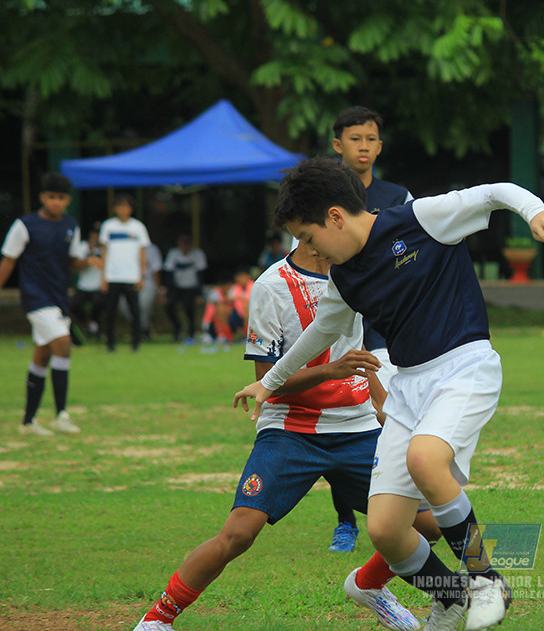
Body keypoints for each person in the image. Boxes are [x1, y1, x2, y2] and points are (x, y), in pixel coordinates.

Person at [234, 157, 544, 631]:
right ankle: (450, 595)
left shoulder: (419, 219)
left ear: (335, 216)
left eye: (308, 237)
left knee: (425, 460)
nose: (309, 250)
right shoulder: (345, 276)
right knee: (386, 529)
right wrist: (268, 383)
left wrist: (534, 212)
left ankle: (485, 579)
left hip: (464, 368)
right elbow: (317, 334)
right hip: (408, 387)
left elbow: (494, 191)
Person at [132, 239, 437, 631]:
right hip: (291, 430)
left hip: (356, 428)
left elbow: (357, 350)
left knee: (428, 523)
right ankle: (157, 619)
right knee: (239, 533)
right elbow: (267, 380)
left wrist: (380, 403)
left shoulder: (352, 270)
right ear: (312, 232)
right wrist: (330, 371)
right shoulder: (271, 286)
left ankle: (370, 585)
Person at [329, 104, 414, 551]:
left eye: (370, 139)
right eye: (354, 139)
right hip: (339, 324)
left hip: (385, 326)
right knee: (343, 426)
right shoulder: (323, 193)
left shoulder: (398, 196)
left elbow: (417, 251)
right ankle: (345, 520)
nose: (363, 147)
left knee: (389, 421)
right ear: (337, 144)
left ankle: (399, 512)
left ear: (380, 146)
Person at [0, 173, 92, 436]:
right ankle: (61, 415)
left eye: (61, 198)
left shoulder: (71, 225)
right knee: (63, 344)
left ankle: (28, 422)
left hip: (58, 298)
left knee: (42, 356)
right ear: (42, 197)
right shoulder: (25, 225)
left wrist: (89, 261)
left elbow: (73, 261)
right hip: (35, 297)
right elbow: (9, 260)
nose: (56, 202)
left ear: (67, 200)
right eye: (51, 197)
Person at [100, 194, 150, 352]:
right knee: (110, 312)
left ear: (131, 209)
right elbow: (104, 252)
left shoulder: (138, 227)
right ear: (115, 208)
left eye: (126, 206)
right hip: (113, 276)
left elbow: (142, 254)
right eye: (120, 206)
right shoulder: (108, 226)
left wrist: (141, 276)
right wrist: (103, 277)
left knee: (134, 312)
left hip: (131, 277)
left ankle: (136, 343)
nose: (123, 210)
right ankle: (110, 344)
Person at [163, 234, 207, 343]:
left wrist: (199, 293)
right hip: (176, 286)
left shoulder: (197, 254)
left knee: (189, 307)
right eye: (182, 244)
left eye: (186, 244)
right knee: (168, 305)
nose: (184, 246)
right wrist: (167, 292)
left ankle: (191, 331)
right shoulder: (173, 253)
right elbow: (169, 273)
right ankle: (177, 327)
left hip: (192, 287)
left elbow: (201, 274)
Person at [68, 222, 105, 342]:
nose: (97, 237)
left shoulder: (107, 248)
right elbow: (77, 267)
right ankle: (89, 324)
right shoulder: (83, 246)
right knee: (73, 305)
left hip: (99, 285)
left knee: (99, 303)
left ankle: (95, 326)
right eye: (95, 234)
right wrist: (89, 255)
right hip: (84, 286)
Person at [120, 241, 161, 341]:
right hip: (128, 281)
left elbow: (156, 270)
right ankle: (143, 327)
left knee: (143, 305)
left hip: (147, 281)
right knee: (123, 306)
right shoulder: (124, 247)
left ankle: (141, 329)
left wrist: (158, 290)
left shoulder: (152, 249)